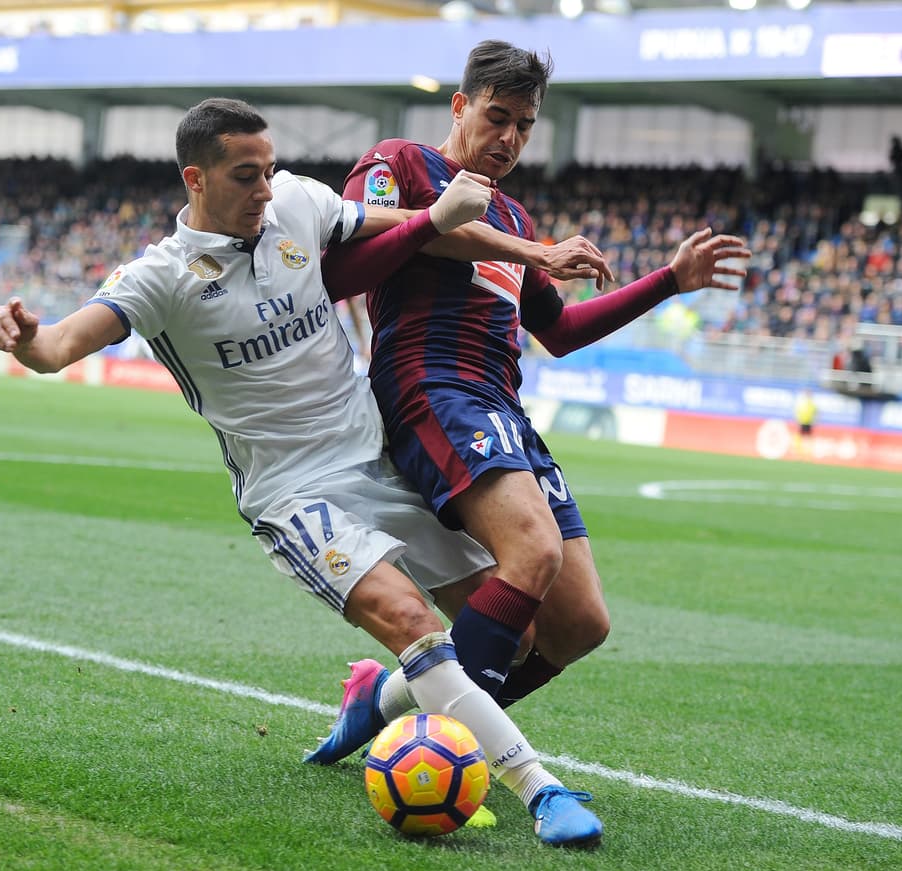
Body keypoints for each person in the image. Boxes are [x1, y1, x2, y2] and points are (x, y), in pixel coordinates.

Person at [0, 98, 604, 847]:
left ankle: (379, 700)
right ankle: (540, 790)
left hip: (374, 454)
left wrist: (525, 251)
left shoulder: (300, 204)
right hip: (292, 490)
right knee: (412, 622)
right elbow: (57, 347)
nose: (264, 189)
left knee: (519, 631)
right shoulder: (160, 276)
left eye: (269, 169)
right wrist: (24, 339)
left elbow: (424, 228)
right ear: (196, 179)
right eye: (245, 176)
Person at [317, 42, 749, 731]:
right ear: (460, 106)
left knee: (580, 623)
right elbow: (342, 267)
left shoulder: (514, 218)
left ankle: (386, 707)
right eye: (497, 117)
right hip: (432, 387)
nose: (510, 138)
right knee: (534, 551)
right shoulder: (398, 162)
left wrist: (668, 280)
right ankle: (453, 746)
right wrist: (494, 239)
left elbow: (561, 330)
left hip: (503, 407)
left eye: (525, 125)